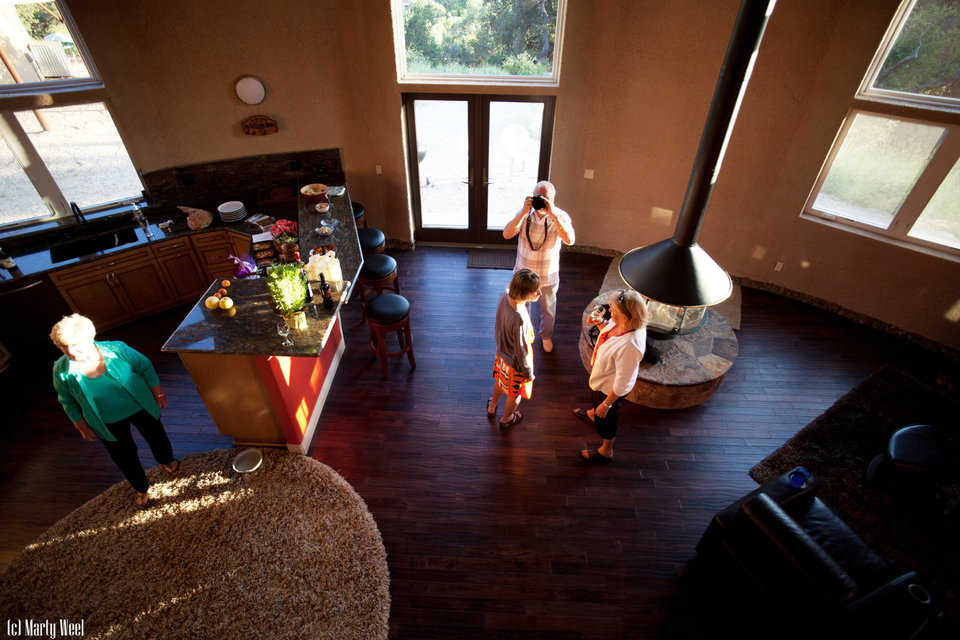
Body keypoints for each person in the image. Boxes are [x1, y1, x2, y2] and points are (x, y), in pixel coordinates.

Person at [50, 314, 179, 506]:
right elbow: (66, 400)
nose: (70, 351)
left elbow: (145, 367)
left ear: (90, 338)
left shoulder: (117, 349)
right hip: (104, 420)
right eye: (63, 346)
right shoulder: (61, 370)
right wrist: (81, 426)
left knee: (156, 436)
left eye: (75, 345)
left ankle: (167, 460)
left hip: (139, 405)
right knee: (123, 455)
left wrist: (159, 394)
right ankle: (140, 486)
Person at [573, 290, 649, 463]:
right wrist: (601, 324)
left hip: (609, 391)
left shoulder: (631, 346)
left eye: (614, 309)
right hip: (600, 380)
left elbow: (624, 382)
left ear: (627, 316)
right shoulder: (621, 323)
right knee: (595, 402)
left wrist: (606, 404)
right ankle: (593, 413)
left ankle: (606, 450)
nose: (610, 311)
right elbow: (611, 338)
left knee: (607, 421)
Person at [502, 180, 575, 353]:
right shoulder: (525, 213)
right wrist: (522, 212)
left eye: (545, 198)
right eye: (538, 197)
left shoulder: (561, 216)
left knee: (548, 310)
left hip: (547, 275)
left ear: (553, 199)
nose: (541, 201)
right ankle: (521, 335)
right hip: (523, 273)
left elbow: (570, 241)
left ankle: (546, 336)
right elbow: (506, 234)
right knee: (519, 308)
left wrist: (553, 215)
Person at [487, 268, 541, 428]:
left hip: (501, 354)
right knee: (514, 392)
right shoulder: (519, 320)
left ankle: (492, 406)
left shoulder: (504, 296)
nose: (539, 293)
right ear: (524, 293)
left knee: (500, 381)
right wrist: (528, 373)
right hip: (515, 364)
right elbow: (522, 351)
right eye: (535, 291)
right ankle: (507, 418)